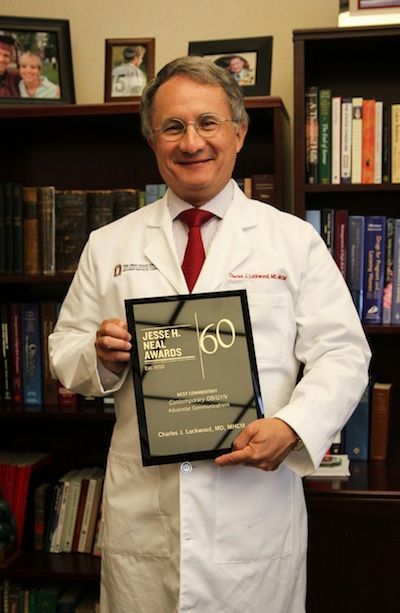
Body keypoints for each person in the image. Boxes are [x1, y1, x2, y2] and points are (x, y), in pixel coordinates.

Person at [49, 56, 371, 612]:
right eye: (173, 127)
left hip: (253, 517)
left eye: (208, 123)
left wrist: (293, 427)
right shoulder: (110, 244)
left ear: (238, 133)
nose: (192, 142)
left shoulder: (292, 241)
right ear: (153, 140)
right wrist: (101, 356)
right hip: (145, 519)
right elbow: (64, 349)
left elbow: (343, 353)